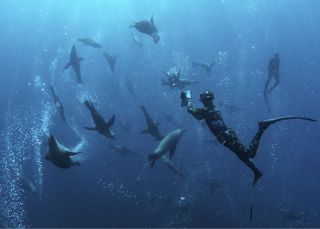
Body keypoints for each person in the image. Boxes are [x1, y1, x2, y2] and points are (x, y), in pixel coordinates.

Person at [180, 90, 316, 185]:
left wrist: (188, 99)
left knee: (249, 154)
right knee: (241, 156)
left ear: (203, 100)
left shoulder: (206, 111)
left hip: (227, 138)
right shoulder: (213, 109)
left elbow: (191, 111)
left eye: (201, 99)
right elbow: (199, 115)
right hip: (227, 136)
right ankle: (256, 171)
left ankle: (262, 127)